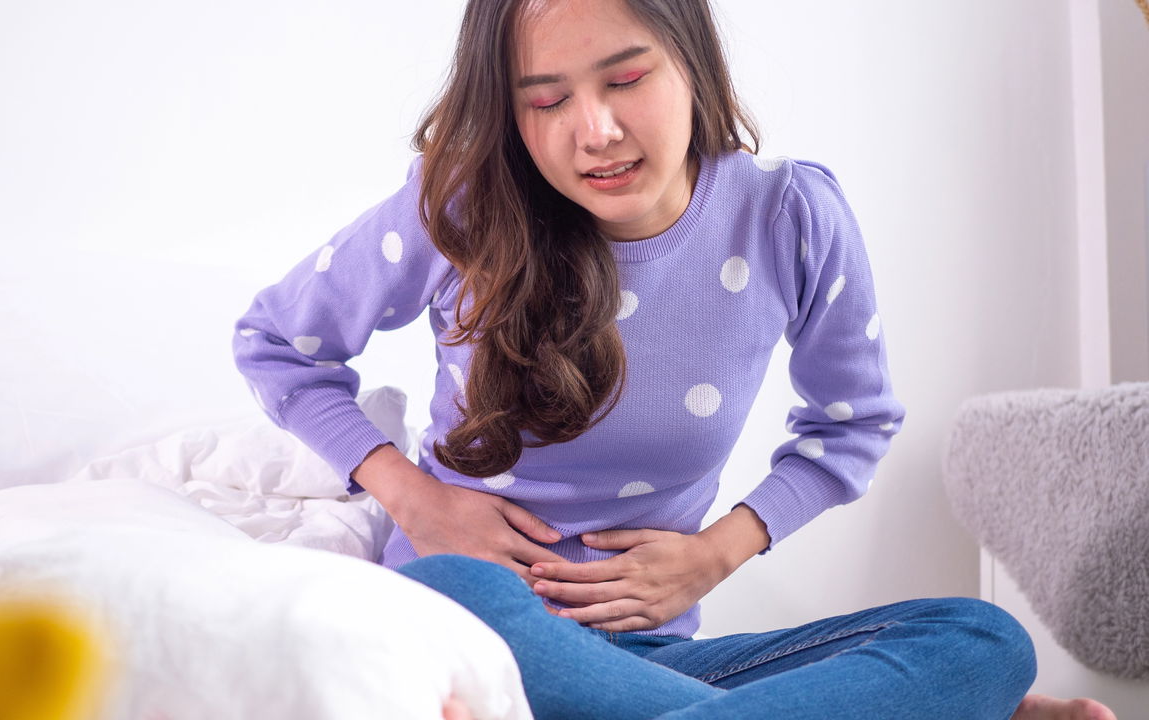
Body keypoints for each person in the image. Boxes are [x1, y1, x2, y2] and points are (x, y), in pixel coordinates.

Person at [232, 0, 1117, 718]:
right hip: (471, 613)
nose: (594, 130)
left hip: (651, 657)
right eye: (544, 101)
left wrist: (717, 552)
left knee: (981, 641)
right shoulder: (460, 208)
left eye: (625, 79)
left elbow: (852, 424)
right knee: (463, 600)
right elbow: (275, 342)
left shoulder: (787, 218)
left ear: (690, 60)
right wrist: (414, 498)